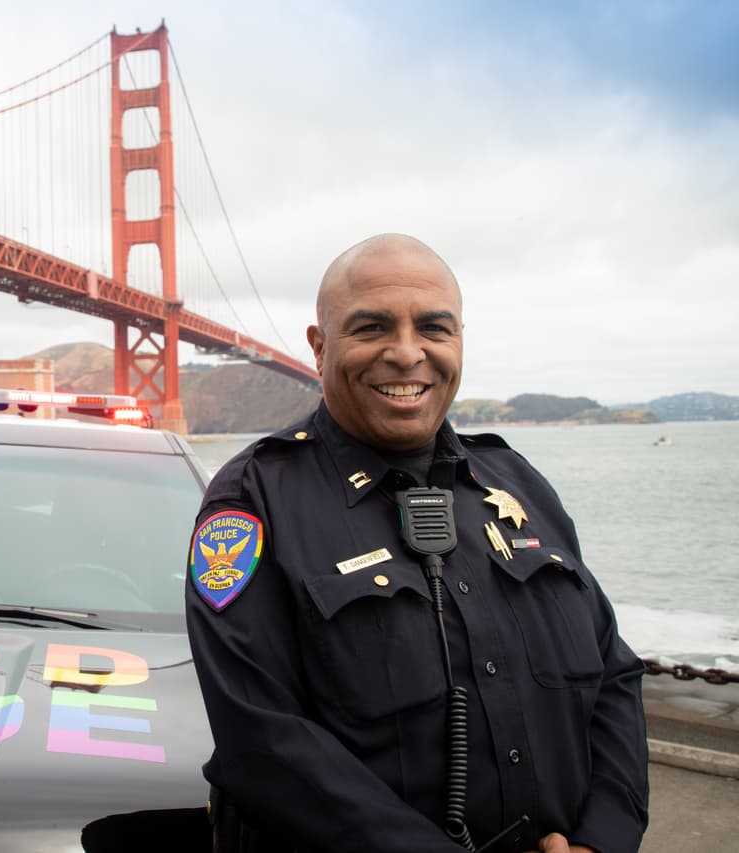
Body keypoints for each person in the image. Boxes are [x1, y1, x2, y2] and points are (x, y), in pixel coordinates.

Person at [186, 234, 648, 853]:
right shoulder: (253, 500)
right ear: (320, 346)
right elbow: (261, 737)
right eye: (371, 327)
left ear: (458, 341)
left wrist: (604, 838)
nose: (407, 354)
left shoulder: (517, 484)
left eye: (433, 328)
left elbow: (613, 673)